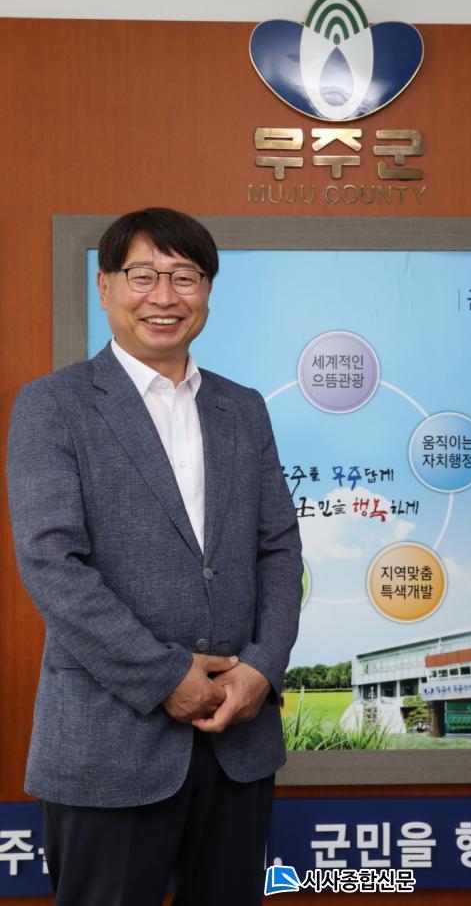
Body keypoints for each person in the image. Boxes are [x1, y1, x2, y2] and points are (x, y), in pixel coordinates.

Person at [7, 207, 303, 906]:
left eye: (184, 277)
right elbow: (51, 562)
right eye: (142, 275)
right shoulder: (54, 405)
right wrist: (166, 676)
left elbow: (278, 548)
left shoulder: (243, 408)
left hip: (238, 741)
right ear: (106, 286)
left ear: (208, 291)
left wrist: (262, 667)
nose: (164, 296)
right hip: (109, 740)